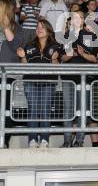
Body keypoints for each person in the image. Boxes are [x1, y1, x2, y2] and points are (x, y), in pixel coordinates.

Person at [17, 20, 61, 148]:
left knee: (45, 110)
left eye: (42, 27)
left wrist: (54, 60)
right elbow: (24, 66)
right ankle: (32, 140)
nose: (39, 29)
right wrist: (23, 56)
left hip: (49, 81)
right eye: (37, 27)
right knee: (33, 111)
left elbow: (58, 67)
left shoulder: (56, 45)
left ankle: (44, 140)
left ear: (48, 30)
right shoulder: (29, 45)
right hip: (30, 81)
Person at [59, 11, 98, 147]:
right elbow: (62, 58)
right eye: (75, 17)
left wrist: (83, 54)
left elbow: (94, 59)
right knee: (68, 109)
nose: (78, 19)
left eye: (80, 17)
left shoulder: (91, 36)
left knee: (82, 109)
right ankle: (67, 140)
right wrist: (70, 54)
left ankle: (79, 141)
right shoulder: (65, 36)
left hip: (85, 78)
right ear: (70, 21)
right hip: (68, 77)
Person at [0, 0, 26, 148]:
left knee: (5, 108)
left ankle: (4, 141)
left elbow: (16, 47)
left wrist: (5, 27)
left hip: (8, 75)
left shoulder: (17, 28)